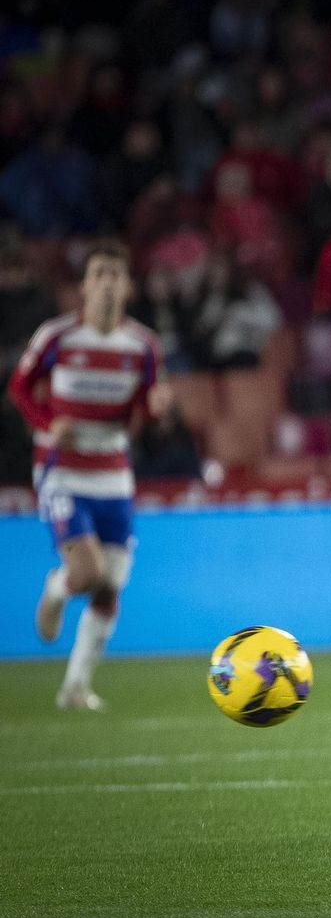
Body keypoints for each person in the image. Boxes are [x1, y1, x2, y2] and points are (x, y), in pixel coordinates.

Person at [6, 241, 171, 710]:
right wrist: (46, 422)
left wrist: (157, 410)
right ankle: (56, 588)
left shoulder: (142, 345)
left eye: (116, 276)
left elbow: (144, 409)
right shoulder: (57, 337)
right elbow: (19, 386)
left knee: (110, 585)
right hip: (62, 470)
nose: (107, 284)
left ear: (129, 287)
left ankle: (75, 687)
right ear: (84, 286)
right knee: (86, 572)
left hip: (114, 473)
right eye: (98, 275)